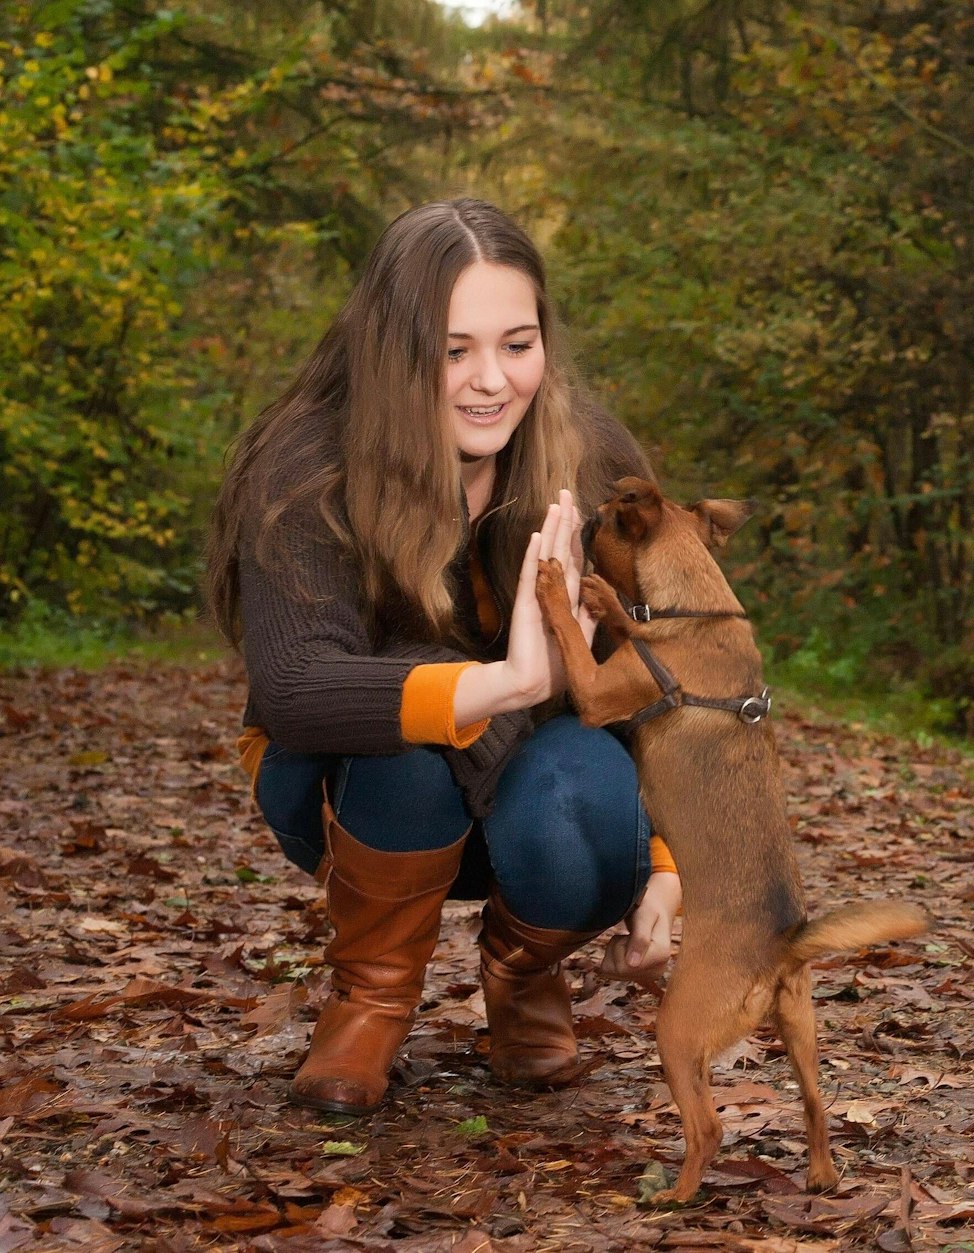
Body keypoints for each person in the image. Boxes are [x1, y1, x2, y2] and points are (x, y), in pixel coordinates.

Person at [203, 198, 681, 1115]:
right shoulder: (306, 464)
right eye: (453, 349)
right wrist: (504, 681)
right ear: (390, 348)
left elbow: (663, 677)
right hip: (353, 799)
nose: (491, 380)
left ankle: (522, 970)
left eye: (518, 343)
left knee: (583, 783)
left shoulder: (592, 456)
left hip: (529, 798)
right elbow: (296, 687)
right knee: (407, 750)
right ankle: (371, 999)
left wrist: (666, 863)